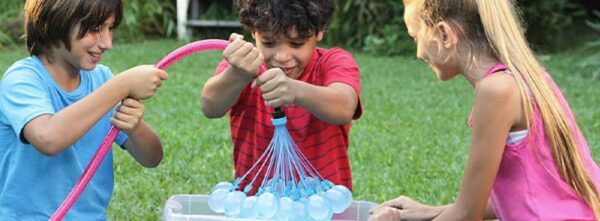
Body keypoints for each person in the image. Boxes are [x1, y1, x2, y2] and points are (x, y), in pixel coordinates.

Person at [369, 0, 600, 220]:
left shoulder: (496, 91)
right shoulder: (528, 77)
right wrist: (429, 211)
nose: (418, 53)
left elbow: (467, 215)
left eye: (415, 37)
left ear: (444, 35)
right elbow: (518, 196)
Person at [0, 0, 168, 219]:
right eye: (95, 29)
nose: (107, 43)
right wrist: (121, 86)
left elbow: (152, 158)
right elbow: (48, 138)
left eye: (110, 29)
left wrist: (135, 127)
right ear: (56, 21)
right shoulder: (22, 80)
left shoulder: (101, 80)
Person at [201, 0, 361, 193]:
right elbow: (211, 107)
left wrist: (294, 91)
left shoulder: (333, 62)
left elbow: (344, 107)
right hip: (257, 204)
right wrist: (238, 74)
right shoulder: (243, 68)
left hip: (324, 204)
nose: (282, 56)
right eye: (268, 42)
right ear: (253, 32)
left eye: (296, 43)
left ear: (319, 31)